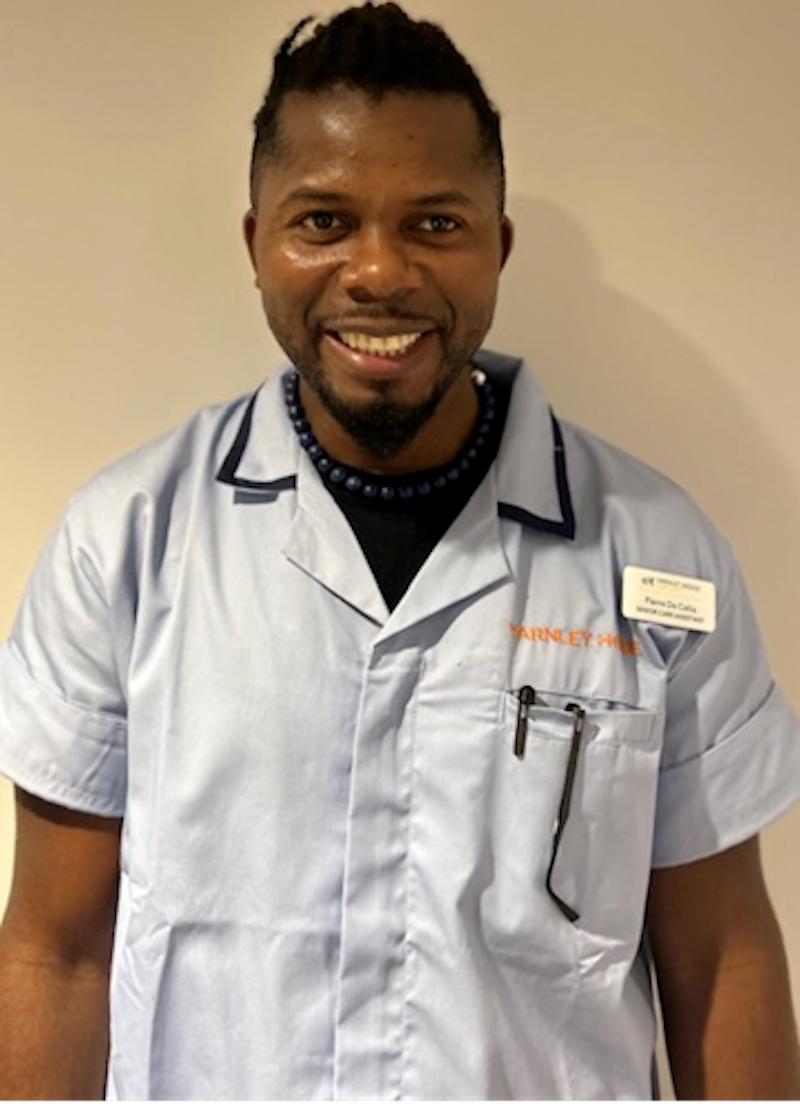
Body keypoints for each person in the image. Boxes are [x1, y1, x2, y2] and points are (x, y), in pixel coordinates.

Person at [0, 1, 798, 1101]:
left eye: (434, 224)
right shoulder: (124, 544)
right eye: (322, 221)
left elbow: (720, 963)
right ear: (255, 243)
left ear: (497, 245)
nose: (378, 274)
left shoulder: (661, 558)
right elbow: (55, 949)